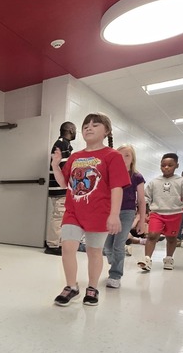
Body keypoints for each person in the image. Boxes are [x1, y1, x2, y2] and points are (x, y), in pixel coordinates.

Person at [51, 113, 130, 306]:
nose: (89, 127)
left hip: (99, 212)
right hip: (73, 211)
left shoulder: (112, 156)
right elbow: (64, 183)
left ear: (107, 131)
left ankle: (92, 287)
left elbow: (116, 187)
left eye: (95, 125)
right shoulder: (76, 156)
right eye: (86, 124)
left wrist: (114, 215)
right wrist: (55, 164)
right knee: (68, 247)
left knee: (94, 252)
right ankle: (71, 286)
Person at [138, 153, 183, 272]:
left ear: (176, 166)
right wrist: (142, 204)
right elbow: (147, 196)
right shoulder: (154, 181)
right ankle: (147, 260)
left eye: (170, 165)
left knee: (171, 237)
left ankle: (169, 258)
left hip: (175, 213)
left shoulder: (182, 181)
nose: (166, 167)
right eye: (163, 165)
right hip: (157, 212)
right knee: (152, 235)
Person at [102, 144, 145, 289]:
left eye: (127, 155)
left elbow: (141, 200)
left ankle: (115, 275)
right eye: (119, 155)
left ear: (132, 159)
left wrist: (142, 220)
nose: (123, 158)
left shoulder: (137, 176)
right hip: (110, 212)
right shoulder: (111, 174)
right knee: (107, 246)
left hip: (127, 212)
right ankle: (115, 261)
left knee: (118, 244)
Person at [45, 122, 76, 255]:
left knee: (60, 215)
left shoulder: (64, 144)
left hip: (59, 186)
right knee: (58, 215)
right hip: (59, 187)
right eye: (74, 130)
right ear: (69, 130)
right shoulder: (62, 144)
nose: (75, 132)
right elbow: (65, 167)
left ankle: (57, 242)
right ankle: (52, 245)